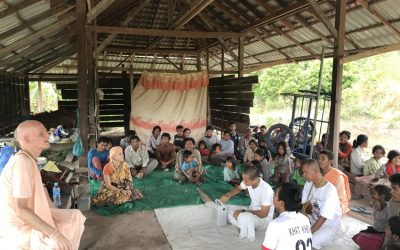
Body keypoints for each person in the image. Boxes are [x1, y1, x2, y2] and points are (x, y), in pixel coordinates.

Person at [0, 120, 85, 250]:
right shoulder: (22, 162)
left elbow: (42, 189)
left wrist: (52, 213)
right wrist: (54, 233)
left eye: (46, 131)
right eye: (41, 133)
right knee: (54, 242)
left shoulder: (29, 159)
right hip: (19, 228)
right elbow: (20, 209)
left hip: (27, 218)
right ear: (27, 139)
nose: (47, 136)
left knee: (74, 217)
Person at [220, 165, 274, 241]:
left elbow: (264, 214)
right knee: (228, 209)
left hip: (263, 219)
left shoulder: (266, 190)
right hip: (251, 210)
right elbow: (238, 188)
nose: (244, 182)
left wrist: (243, 212)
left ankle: (244, 225)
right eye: (243, 179)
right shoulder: (248, 181)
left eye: (246, 181)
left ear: (255, 179)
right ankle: (245, 225)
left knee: (243, 217)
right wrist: (229, 194)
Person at [301, 159, 342, 249]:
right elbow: (304, 207)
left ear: (315, 171)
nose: (303, 175)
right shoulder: (309, 184)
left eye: (305, 172)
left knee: (310, 241)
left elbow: (323, 218)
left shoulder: (330, 191)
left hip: (328, 225)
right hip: (313, 219)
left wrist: (307, 233)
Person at [262, 183, 312, 250]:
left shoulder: (276, 225)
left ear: (281, 203)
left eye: (275, 195)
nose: (273, 196)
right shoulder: (305, 219)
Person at [319, 150, 351, 214]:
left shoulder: (338, 176)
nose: (319, 161)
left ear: (330, 161)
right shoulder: (318, 172)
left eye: (323, 159)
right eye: (319, 159)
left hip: (336, 202)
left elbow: (338, 196)